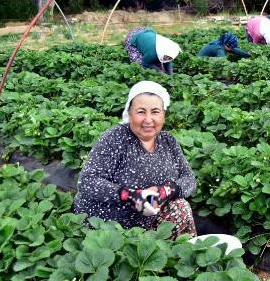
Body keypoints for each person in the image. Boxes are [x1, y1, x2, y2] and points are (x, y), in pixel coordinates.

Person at [73, 81, 197, 239]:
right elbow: (87, 182)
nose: (148, 119)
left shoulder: (168, 141)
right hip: (110, 225)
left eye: (155, 112)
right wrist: (131, 195)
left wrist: (166, 190)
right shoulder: (115, 138)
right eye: (141, 112)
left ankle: (175, 257)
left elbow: (189, 178)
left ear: (164, 115)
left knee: (180, 207)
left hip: (150, 217)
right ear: (129, 113)